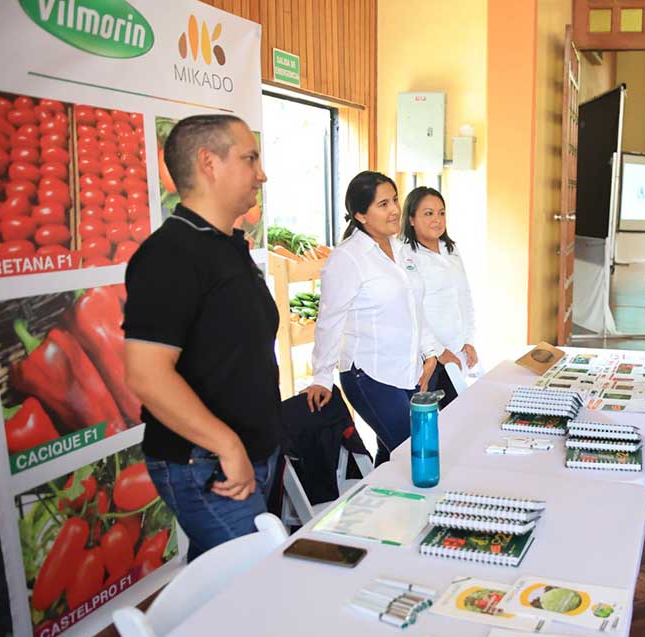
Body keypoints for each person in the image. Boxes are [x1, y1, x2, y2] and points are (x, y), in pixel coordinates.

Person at [123, 114, 278, 561]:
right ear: (209, 163)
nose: (261, 174)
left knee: (219, 584)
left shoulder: (227, 246)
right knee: (256, 580)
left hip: (247, 456)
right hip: (208, 464)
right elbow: (147, 375)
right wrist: (226, 444)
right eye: (250, 159)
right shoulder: (170, 254)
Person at [304, 172, 440, 466]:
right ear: (360, 215)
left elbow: (415, 306)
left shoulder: (402, 249)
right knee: (414, 454)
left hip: (409, 371)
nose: (394, 210)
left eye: (395, 200)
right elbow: (329, 320)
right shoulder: (347, 258)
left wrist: (430, 353)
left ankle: (382, 497)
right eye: (383, 204)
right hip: (370, 375)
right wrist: (322, 377)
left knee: (391, 456)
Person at [400, 186, 478, 408]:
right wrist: (440, 352)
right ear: (411, 219)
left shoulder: (450, 249)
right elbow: (411, 312)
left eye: (441, 213)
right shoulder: (405, 255)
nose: (437, 219)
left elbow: (464, 296)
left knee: (456, 416)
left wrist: (469, 340)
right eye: (428, 213)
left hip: (456, 354)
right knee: (425, 419)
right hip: (427, 357)